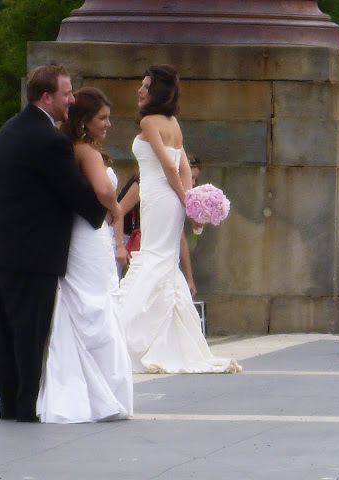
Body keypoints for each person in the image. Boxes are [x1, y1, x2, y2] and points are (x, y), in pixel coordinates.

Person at [0, 65, 108, 422]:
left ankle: (10, 406)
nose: (72, 100)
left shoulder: (10, 129)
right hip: (35, 254)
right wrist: (107, 210)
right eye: (67, 93)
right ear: (47, 97)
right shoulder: (50, 140)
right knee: (30, 332)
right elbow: (77, 194)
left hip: (3, 250)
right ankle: (26, 409)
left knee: (7, 332)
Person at [117, 64, 240, 373]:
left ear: (157, 92)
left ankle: (128, 333)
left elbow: (171, 168)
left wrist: (188, 201)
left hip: (159, 197)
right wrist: (190, 202)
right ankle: (172, 339)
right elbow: (185, 169)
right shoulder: (173, 123)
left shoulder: (148, 122)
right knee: (165, 262)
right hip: (169, 200)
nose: (140, 90)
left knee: (156, 260)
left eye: (146, 86)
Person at [36, 87, 133, 423]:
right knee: (96, 303)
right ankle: (103, 392)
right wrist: (117, 208)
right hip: (89, 238)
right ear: (85, 121)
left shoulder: (70, 148)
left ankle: (85, 392)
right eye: (102, 118)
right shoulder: (86, 150)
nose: (108, 124)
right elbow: (105, 190)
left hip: (81, 235)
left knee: (81, 305)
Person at [114, 155, 201, 295]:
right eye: (190, 177)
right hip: (125, 237)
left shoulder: (179, 195)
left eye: (195, 179)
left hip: (155, 248)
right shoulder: (149, 181)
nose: (193, 183)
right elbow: (118, 211)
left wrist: (189, 279)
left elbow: (180, 236)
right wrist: (120, 246)